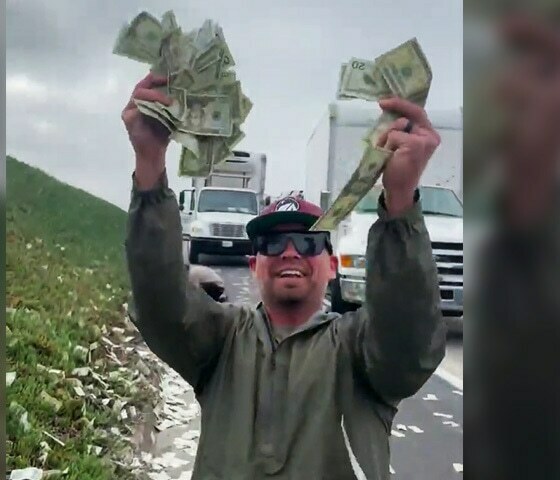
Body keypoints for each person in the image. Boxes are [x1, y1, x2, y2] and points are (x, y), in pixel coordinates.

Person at [123, 72, 446, 479]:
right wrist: (150, 164)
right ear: (253, 264)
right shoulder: (221, 341)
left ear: (331, 266)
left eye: (309, 243)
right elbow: (160, 304)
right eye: (273, 244)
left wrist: (400, 202)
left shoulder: (358, 350)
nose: (290, 251)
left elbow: (410, 342)